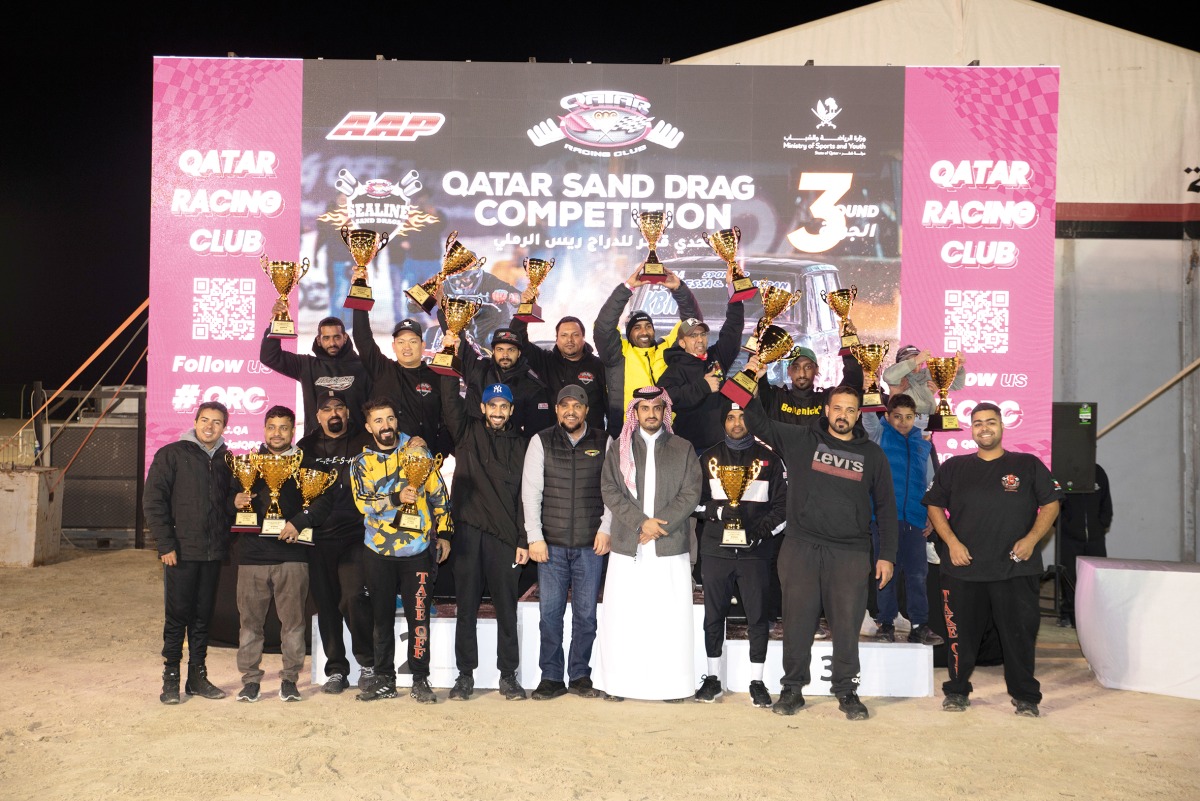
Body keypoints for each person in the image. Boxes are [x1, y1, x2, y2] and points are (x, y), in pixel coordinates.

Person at [744, 385, 897, 720]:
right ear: (826, 410)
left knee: (846, 626)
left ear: (859, 414)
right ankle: (792, 689)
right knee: (797, 624)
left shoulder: (872, 455)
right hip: (801, 548)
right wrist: (746, 380)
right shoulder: (801, 440)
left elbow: (886, 508)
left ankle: (846, 691)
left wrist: (887, 555)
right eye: (837, 408)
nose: (843, 415)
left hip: (850, 553)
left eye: (850, 410)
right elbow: (757, 422)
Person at [923, 402, 1063, 717]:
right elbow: (933, 505)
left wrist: (1031, 540)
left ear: (1002, 425)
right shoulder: (955, 466)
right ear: (971, 429)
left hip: (1015, 569)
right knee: (961, 639)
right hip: (963, 570)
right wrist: (952, 543)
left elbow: (1052, 504)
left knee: (1019, 638)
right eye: (977, 423)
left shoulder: (1027, 464)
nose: (984, 428)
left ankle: (1026, 696)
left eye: (990, 422)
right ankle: (957, 691)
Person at [598, 387, 703, 702]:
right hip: (629, 545)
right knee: (625, 618)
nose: (651, 414)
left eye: (657, 408)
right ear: (635, 413)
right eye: (645, 409)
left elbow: (691, 493)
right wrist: (641, 522)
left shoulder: (683, 448)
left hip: (669, 548)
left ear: (665, 410)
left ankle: (672, 686)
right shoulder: (619, 448)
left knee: (669, 619)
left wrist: (657, 527)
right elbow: (610, 490)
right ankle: (618, 684)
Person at [351, 398, 452, 704]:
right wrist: (395, 498)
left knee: (418, 619)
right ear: (369, 427)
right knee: (381, 619)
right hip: (378, 552)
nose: (386, 425)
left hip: (418, 551)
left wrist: (445, 532)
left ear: (397, 420)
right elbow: (363, 502)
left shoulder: (417, 451)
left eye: (390, 418)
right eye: (378, 421)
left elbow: (439, 493)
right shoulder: (362, 463)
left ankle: (421, 680)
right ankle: (384, 679)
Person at [439, 374, 530, 701]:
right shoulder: (466, 432)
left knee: (507, 610)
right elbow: (449, 401)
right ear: (482, 407)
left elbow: (525, 495)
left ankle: (509, 676)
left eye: (503, 406)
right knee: (466, 609)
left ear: (510, 409)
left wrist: (523, 539)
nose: (497, 411)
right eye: (492, 405)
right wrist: (449, 351)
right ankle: (465, 676)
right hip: (467, 536)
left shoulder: (521, 444)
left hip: (505, 539)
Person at [231, 406, 328, 703]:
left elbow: (323, 505)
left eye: (283, 427)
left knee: (294, 624)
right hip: (252, 558)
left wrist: (299, 522)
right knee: (250, 625)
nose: (277, 433)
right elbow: (224, 501)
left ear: (292, 431)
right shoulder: (246, 464)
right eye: (271, 427)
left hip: (292, 558)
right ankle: (250, 681)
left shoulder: (306, 464)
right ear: (263, 429)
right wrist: (232, 500)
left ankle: (289, 679)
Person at [521, 385, 611, 701]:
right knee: (550, 615)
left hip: (591, 545)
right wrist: (535, 537)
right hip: (552, 546)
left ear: (587, 410)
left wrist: (606, 529)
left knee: (586, 615)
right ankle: (551, 677)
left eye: (577, 405)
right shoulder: (540, 441)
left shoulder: (605, 442)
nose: (570, 410)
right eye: (564, 405)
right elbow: (530, 493)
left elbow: (613, 491)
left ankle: (580, 676)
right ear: (557, 410)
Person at [693, 401, 787, 707]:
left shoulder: (770, 460)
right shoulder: (707, 458)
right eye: (731, 418)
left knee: (758, 617)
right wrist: (718, 512)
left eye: (742, 417)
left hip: (755, 554)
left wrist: (758, 534)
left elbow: (783, 508)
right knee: (713, 617)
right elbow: (691, 502)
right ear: (723, 422)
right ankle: (712, 679)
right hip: (716, 550)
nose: (737, 423)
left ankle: (757, 681)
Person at [144, 401, 234, 704]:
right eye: (205, 420)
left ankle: (198, 676)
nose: (210, 426)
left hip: (212, 553)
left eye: (217, 422)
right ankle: (171, 678)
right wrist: (165, 544)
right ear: (195, 422)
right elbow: (153, 502)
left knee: (202, 618)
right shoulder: (171, 454)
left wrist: (238, 502)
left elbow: (227, 505)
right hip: (180, 552)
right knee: (177, 617)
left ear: (224, 427)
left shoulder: (228, 459)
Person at [295, 389, 375, 694]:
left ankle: (367, 662)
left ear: (348, 412)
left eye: (339, 407)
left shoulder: (364, 440)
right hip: (318, 537)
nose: (334, 414)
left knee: (354, 597)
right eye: (327, 410)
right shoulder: (306, 447)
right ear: (318, 416)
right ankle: (336, 669)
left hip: (356, 534)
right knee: (326, 605)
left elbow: (392, 441)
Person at [861, 394, 944, 646]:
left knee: (918, 574)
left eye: (909, 417)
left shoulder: (924, 444)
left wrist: (931, 514)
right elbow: (867, 416)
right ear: (887, 416)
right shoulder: (879, 434)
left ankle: (919, 625)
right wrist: (868, 383)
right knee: (887, 572)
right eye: (897, 416)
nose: (903, 422)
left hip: (916, 519)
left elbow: (931, 483)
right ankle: (885, 622)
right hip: (885, 518)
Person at [594, 265, 699, 435]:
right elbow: (603, 328)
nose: (644, 332)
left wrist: (679, 290)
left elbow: (692, 323)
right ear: (628, 333)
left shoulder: (666, 348)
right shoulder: (619, 352)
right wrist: (627, 288)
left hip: (667, 433)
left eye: (648, 326)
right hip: (626, 434)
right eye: (637, 327)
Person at [657, 267, 745, 452]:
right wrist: (702, 386)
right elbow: (664, 398)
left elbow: (733, 329)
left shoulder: (715, 357)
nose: (699, 339)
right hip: (689, 449)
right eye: (693, 336)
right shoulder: (675, 368)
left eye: (703, 334)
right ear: (682, 342)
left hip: (722, 446)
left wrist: (734, 292)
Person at [352, 310, 452, 456]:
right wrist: (359, 293)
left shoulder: (437, 377)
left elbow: (447, 423)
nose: (407, 347)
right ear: (393, 346)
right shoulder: (382, 369)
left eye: (412, 341)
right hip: (384, 463)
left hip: (423, 463)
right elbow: (362, 338)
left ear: (423, 345)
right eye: (401, 342)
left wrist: (436, 454)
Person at [260, 302, 370, 434]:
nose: (332, 343)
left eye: (337, 337)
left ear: (345, 338)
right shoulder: (306, 365)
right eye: (326, 338)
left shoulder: (363, 366)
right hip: (316, 447)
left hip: (356, 444)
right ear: (318, 340)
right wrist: (275, 322)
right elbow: (269, 356)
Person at [509, 306, 608, 433]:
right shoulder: (545, 360)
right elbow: (516, 338)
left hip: (591, 442)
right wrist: (526, 306)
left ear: (584, 337)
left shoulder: (599, 366)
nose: (569, 340)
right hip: (552, 441)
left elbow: (612, 406)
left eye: (575, 335)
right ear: (557, 339)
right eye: (564, 335)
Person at [451, 326, 554, 438]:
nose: (505, 355)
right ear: (493, 351)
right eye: (500, 349)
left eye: (511, 350)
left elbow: (535, 440)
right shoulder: (478, 369)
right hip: (470, 448)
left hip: (509, 453)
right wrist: (451, 332)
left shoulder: (533, 388)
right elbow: (458, 339)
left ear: (519, 353)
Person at [754, 344, 864, 428]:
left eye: (808, 367)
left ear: (816, 370)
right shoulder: (776, 398)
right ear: (789, 371)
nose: (802, 374)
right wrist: (757, 343)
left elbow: (853, 380)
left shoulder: (827, 399)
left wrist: (848, 339)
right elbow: (758, 382)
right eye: (796, 367)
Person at [1057, 464, 1113, 627]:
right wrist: (1064, 526)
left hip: (1095, 538)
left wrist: (1102, 523)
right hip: (1069, 538)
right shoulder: (1061, 474)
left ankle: (1093, 615)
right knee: (1070, 576)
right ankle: (1069, 614)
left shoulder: (1098, 472)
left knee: (1095, 577)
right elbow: (1052, 505)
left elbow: (1106, 501)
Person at [881, 345, 966, 421]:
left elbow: (957, 384)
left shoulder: (928, 373)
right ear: (900, 364)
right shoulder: (898, 377)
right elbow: (888, 376)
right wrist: (916, 360)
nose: (915, 365)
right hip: (902, 425)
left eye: (919, 362)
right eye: (910, 362)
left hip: (926, 426)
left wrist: (958, 368)